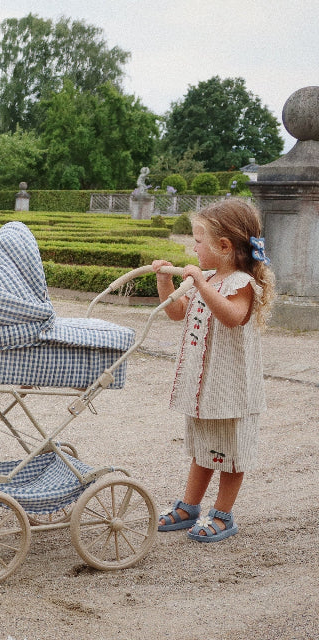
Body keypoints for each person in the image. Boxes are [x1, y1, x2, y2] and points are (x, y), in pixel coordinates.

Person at [152, 198, 274, 542]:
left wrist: (202, 286)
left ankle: (223, 513)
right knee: (204, 446)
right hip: (204, 385)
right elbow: (176, 312)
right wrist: (165, 281)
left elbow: (233, 317)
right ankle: (190, 505)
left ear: (223, 246)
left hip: (231, 386)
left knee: (231, 452)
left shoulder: (241, 283)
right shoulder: (203, 276)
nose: (193, 247)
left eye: (198, 241)